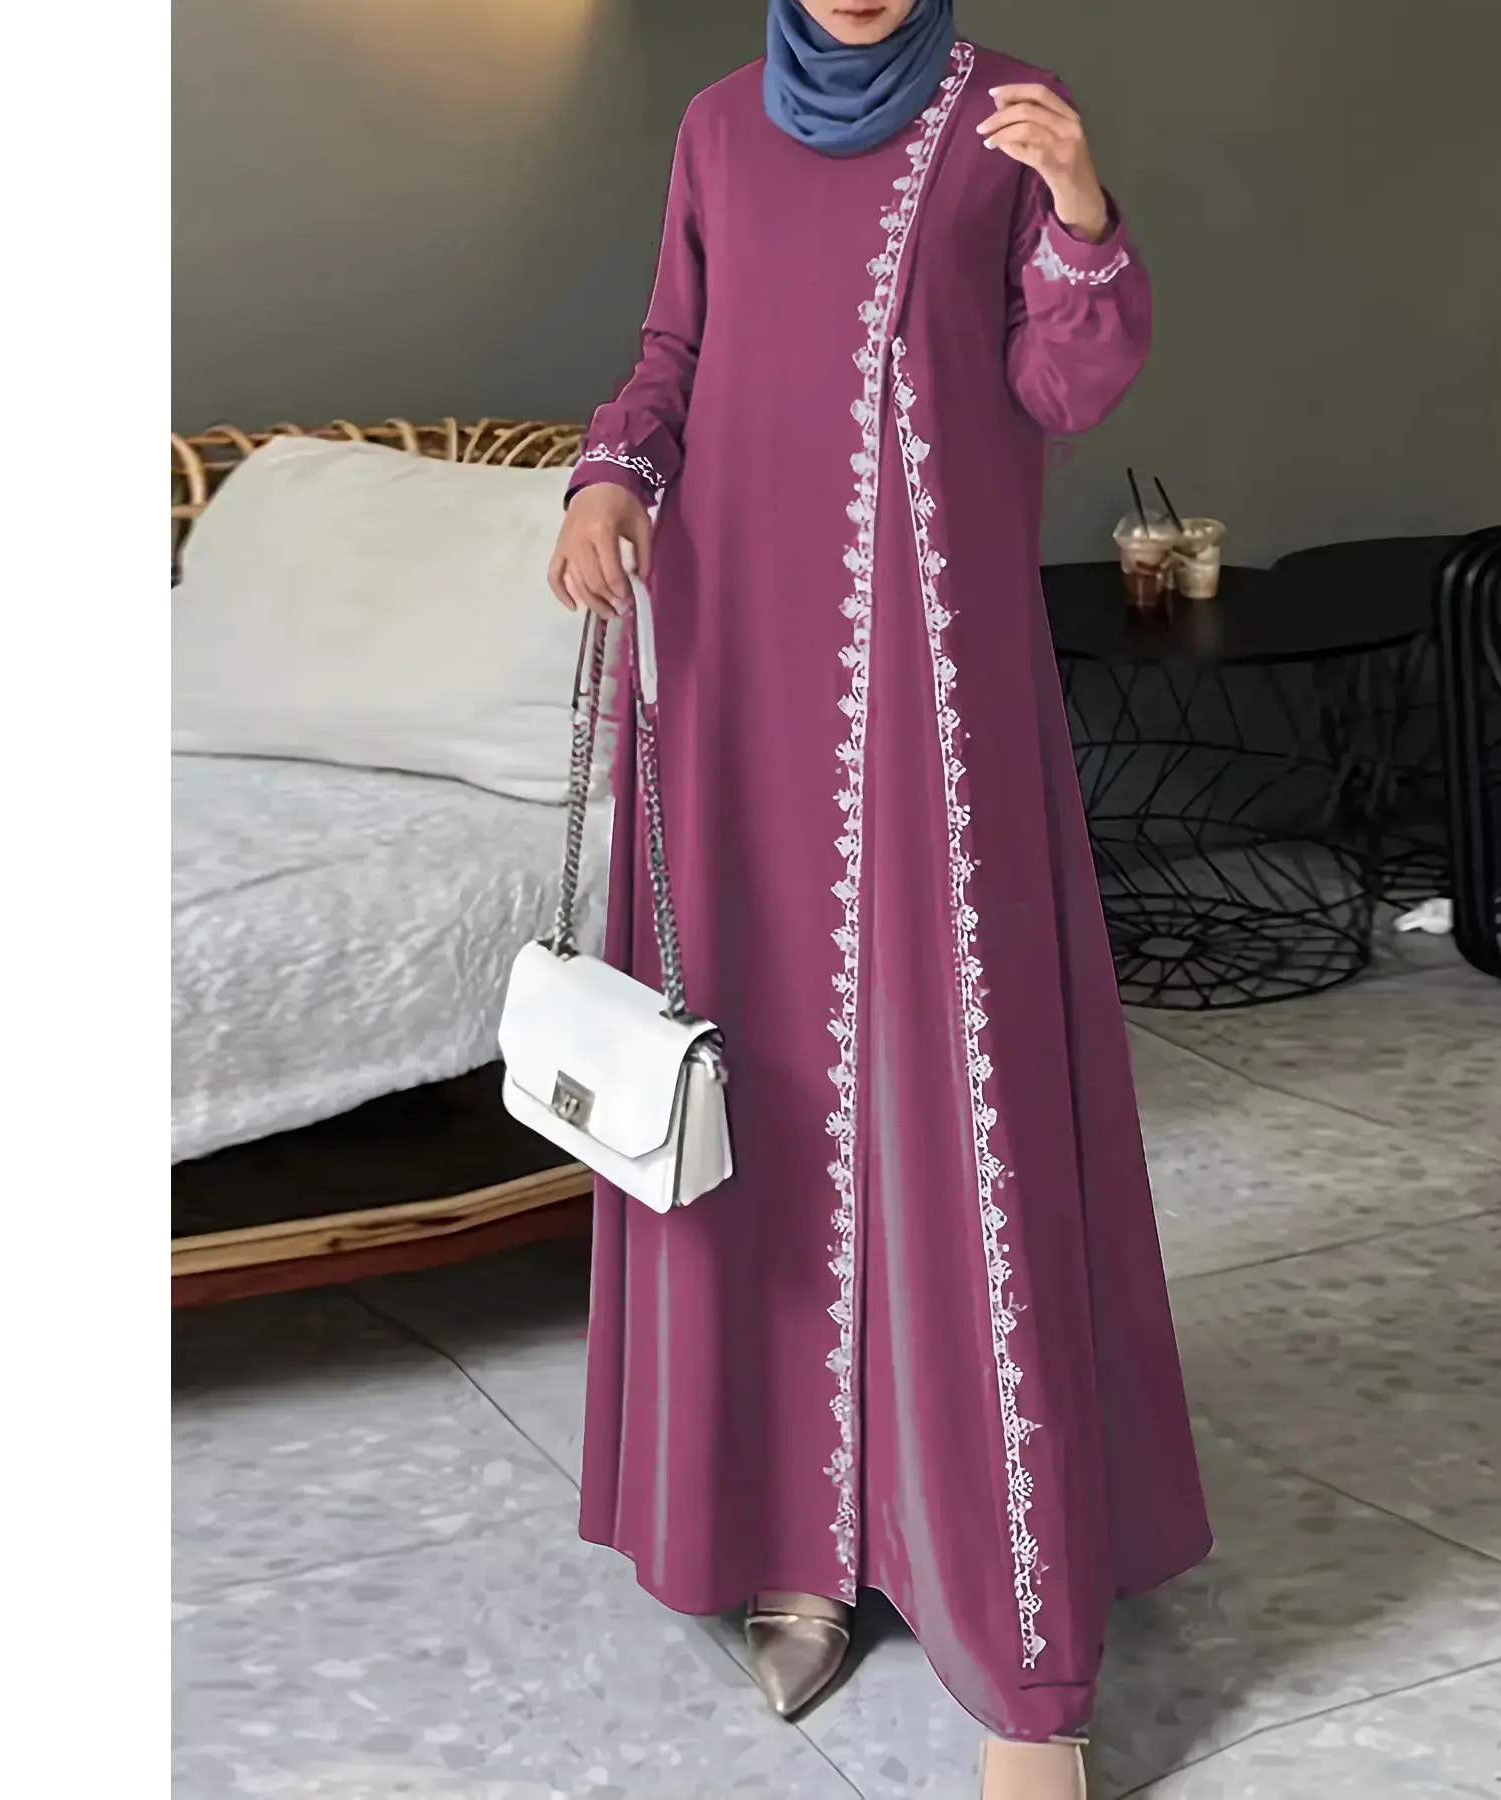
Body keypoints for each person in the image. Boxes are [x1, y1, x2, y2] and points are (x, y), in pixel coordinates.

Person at [548, 3, 1211, 1793]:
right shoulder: (715, 126)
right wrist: (611, 477)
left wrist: (1084, 216)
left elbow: (1065, 388)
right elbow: (674, 351)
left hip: (934, 691)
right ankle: (795, 1540)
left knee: (952, 1096)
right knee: (758, 1080)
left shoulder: (1010, 115)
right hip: (737, 676)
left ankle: (1014, 1630)